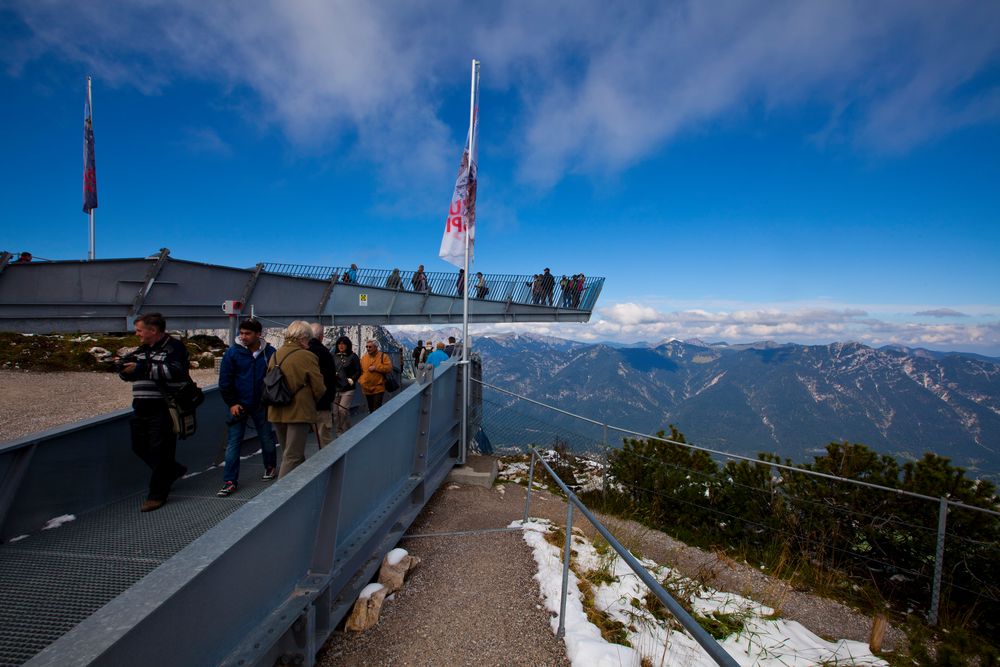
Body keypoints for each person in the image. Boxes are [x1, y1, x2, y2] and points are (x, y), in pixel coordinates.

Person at [117, 312, 190, 512]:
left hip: (164, 406)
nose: (137, 333)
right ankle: (172, 470)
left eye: (140, 330)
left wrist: (141, 368)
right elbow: (127, 372)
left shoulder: (174, 348)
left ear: (153, 330)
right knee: (139, 445)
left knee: (162, 449)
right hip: (141, 405)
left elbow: (175, 371)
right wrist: (125, 370)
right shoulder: (141, 350)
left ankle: (157, 495)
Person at [216, 318, 279, 497]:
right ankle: (229, 480)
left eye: (247, 333)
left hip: (261, 404)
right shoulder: (232, 353)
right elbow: (225, 381)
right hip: (239, 404)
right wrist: (232, 403)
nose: (243, 336)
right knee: (233, 443)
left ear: (258, 334)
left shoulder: (269, 353)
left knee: (266, 437)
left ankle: (270, 466)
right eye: (241, 333)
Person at [268, 321, 326, 480]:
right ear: (302, 338)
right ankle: (279, 498)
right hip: (298, 412)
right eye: (308, 338)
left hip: (276, 410)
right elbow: (319, 387)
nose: (309, 342)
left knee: (288, 451)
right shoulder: (307, 356)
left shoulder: (275, 354)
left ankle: (299, 486)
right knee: (293, 456)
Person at [308, 323, 337, 447]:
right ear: (321, 336)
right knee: (324, 440)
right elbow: (331, 378)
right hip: (322, 403)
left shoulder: (301, 351)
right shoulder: (325, 353)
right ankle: (327, 465)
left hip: (301, 404)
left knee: (296, 445)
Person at [332, 335, 361, 436]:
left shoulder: (353, 357)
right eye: (339, 343)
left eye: (343, 344)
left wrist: (352, 379)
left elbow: (359, 370)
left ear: (347, 345)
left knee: (342, 410)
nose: (341, 345)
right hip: (335, 388)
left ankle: (346, 431)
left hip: (348, 388)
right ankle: (339, 431)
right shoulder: (334, 356)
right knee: (335, 413)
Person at [359, 339, 393, 413]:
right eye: (367, 347)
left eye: (370, 347)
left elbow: (389, 368)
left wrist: (376, 368)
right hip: (366, 388)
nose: (368, 348)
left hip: (378, 388)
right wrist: (361, 381)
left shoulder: (383, 356)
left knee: (376, 410)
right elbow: (360, 371)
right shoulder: (364, 358)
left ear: (375, 347)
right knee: (371, 409)